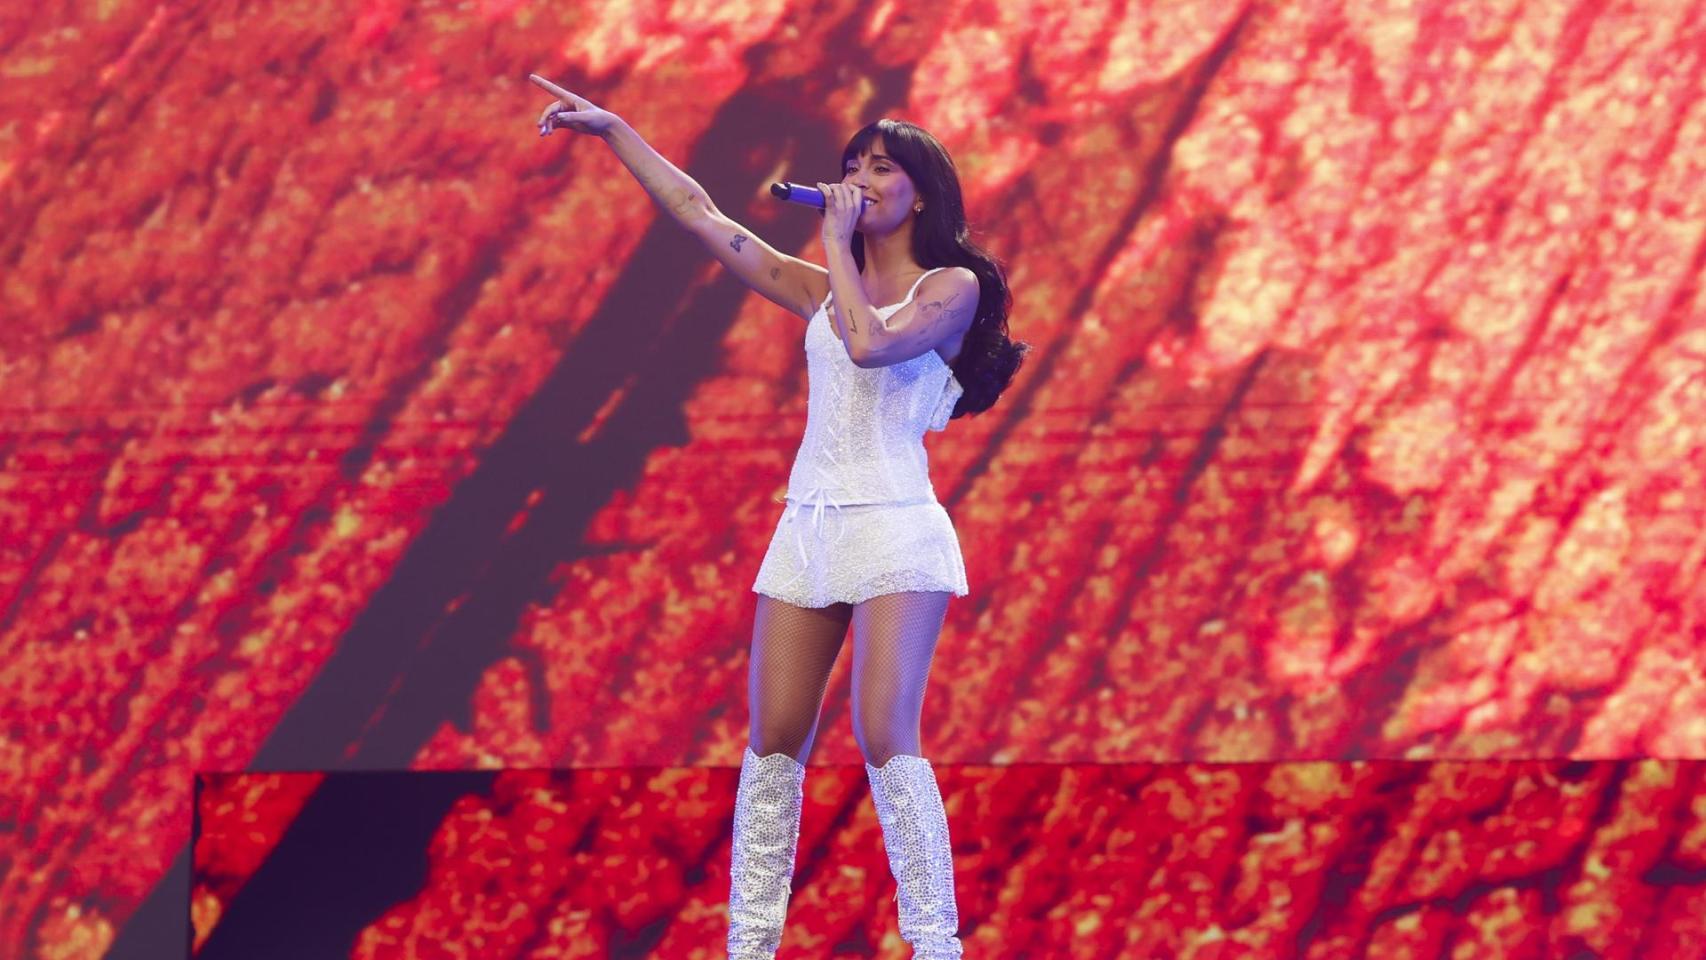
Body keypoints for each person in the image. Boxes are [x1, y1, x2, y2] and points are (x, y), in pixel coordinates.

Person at [531, 74, 1027, 959]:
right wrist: (616, 132)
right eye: (852, 167)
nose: (861, 180)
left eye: (881, 169)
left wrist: (836, 239)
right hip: (809, 526)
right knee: (772, 748)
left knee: (882, 732)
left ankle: (935, 944)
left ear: (921, 190)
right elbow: (703, 215)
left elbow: (872, 345)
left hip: (893, 523)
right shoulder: (818, 285)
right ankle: (750, 945)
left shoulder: (950, 287)